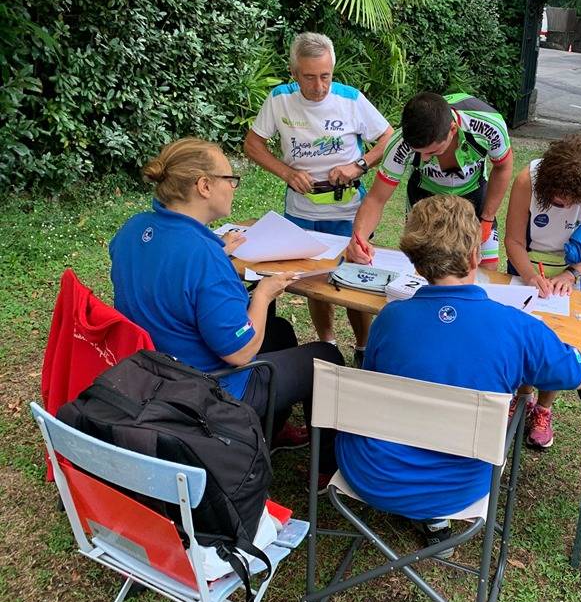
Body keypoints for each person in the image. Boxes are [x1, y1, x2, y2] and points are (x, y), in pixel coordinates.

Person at [336, 194, 581, 554]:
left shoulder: (389, 319)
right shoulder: (517, 328)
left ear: (418, 264)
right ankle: (434, 516)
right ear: (474, 256)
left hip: (370, 472)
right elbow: (579, 376)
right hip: (458, 485)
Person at [110, 137, 345, 457]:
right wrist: (263, 293)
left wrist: (220, 250)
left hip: (155, 369)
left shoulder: (134, 229)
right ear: (204, 186)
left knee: (279, 331)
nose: (234, 186)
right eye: (229, 178)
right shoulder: (203, 257)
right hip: (207, 389)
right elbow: (240, 352)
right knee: (326, 357)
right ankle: (328, 464)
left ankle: (268, 433)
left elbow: (172, 272)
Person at [243, 32, 393, 365]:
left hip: (349, 207)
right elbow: (252, 145)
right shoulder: (279, 100)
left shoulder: (350, 99)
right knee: (314, 281)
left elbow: (388, 138)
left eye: (325, 76)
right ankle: (327, 346)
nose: (319, 86)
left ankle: (363, 347)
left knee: (356, 282)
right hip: (302, 208)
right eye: (309, 77)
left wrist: (359, 164)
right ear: (294, 73)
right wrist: (286, 173)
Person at [504, 133, 581, 449]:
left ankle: (544, 408)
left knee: (559, 340)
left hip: (572, 271)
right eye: (556, 195)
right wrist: (528, 274)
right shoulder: (529, 179)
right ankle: (522, 397)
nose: (562, 203)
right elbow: (513, 240)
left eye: (570, 198)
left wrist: (572, 273)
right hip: (527, 266)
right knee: (525, 334)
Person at [344, 92, 513, 268]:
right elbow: (376, 199)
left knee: (485, 269)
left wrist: (487, 218)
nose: (424, 159)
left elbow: (503, 167)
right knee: (425, 270)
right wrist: (359, 238)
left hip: (473, 193)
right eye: (418, 152)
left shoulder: (488, 124)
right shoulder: (399, 143)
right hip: (425, 197)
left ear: (452, 130)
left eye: (432, 152)